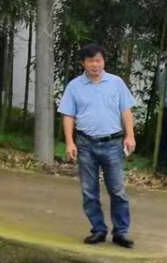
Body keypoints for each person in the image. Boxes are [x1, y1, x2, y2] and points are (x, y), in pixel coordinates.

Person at [59, 43, 137, 248]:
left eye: (98, 60)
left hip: (112, 143)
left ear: (104, 61)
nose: (95, 64)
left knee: (117, 190)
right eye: (91, 61)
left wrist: (130, 136)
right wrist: (70, 142)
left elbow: (126, 111)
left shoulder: (116, 83)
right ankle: (98, 230)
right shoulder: (74, 86)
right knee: (89, 191)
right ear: (83, 63)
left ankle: (121, 232)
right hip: (85, 144)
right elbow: (68, 115)